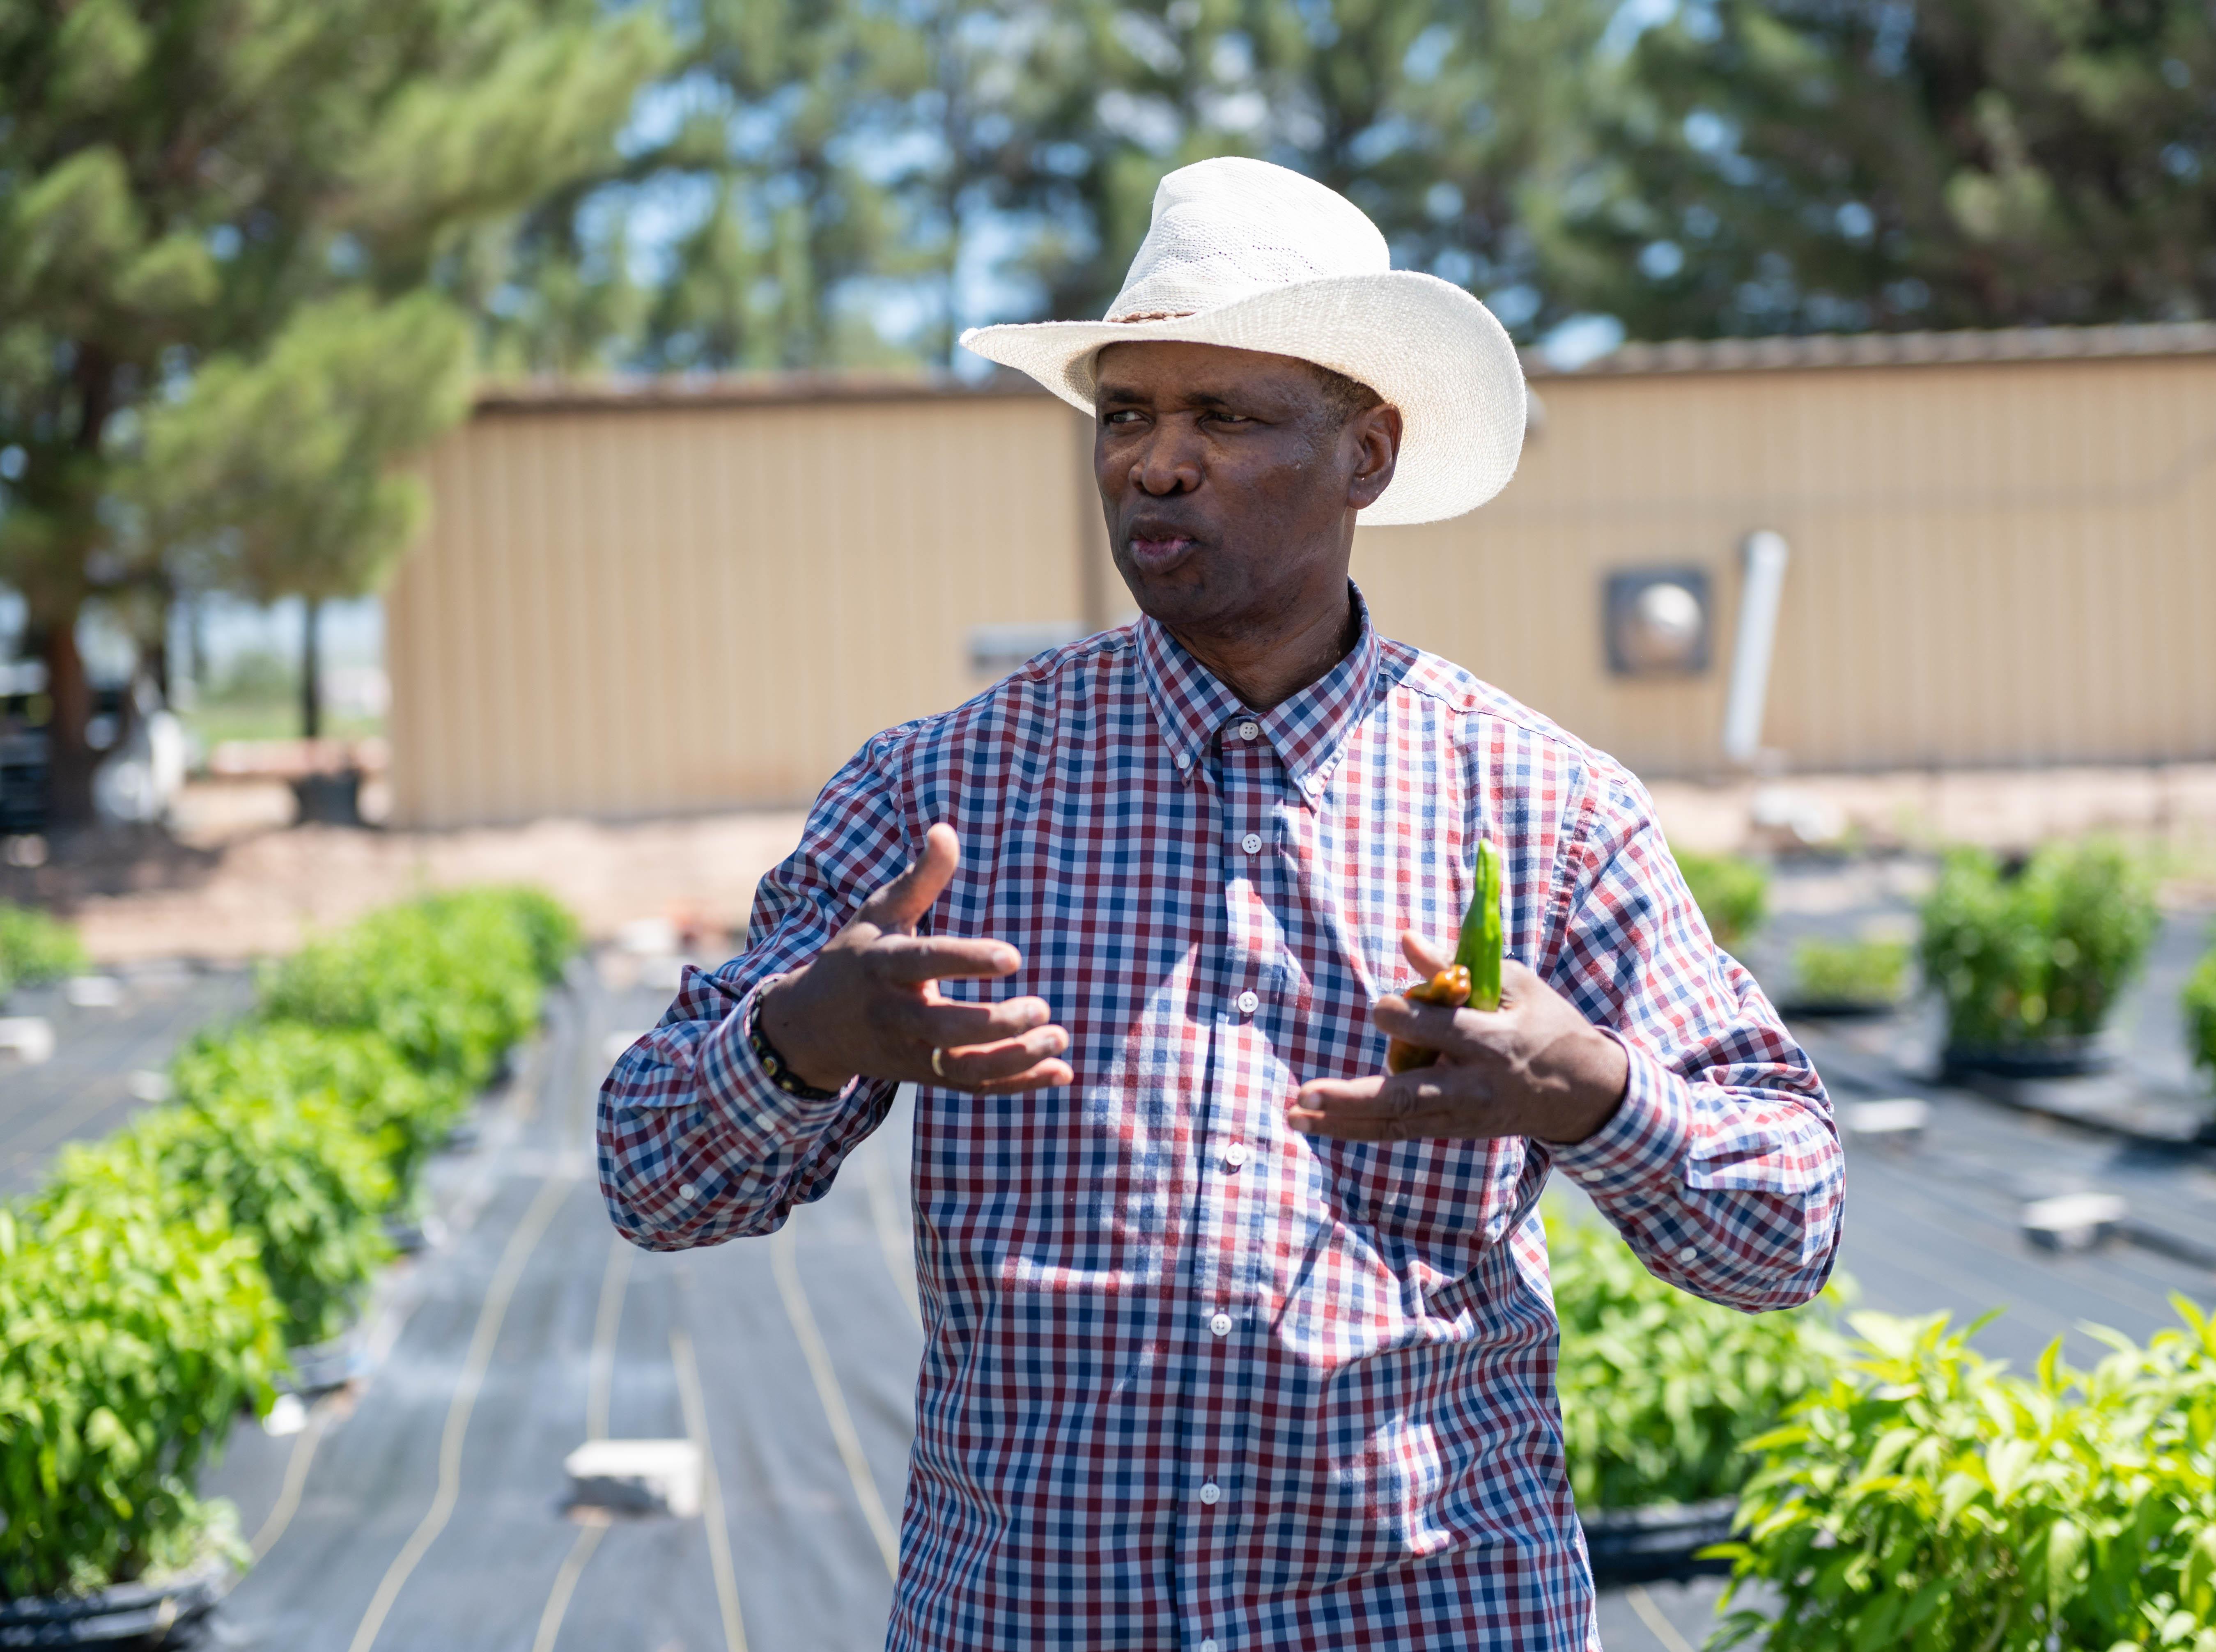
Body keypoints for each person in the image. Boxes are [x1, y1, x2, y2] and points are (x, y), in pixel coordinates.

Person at [599, 156, 1843, 1652]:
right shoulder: (942, 797)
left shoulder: (1542, 808)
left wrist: (1589, 1095)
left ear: (1366, 455)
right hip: (1043, 1617)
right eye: (1126, 415)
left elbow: (1787, 1226)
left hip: (1430, 1614)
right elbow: (652, 1178)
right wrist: (801, 1038)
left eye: (1226, 418)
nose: (1154, 464)